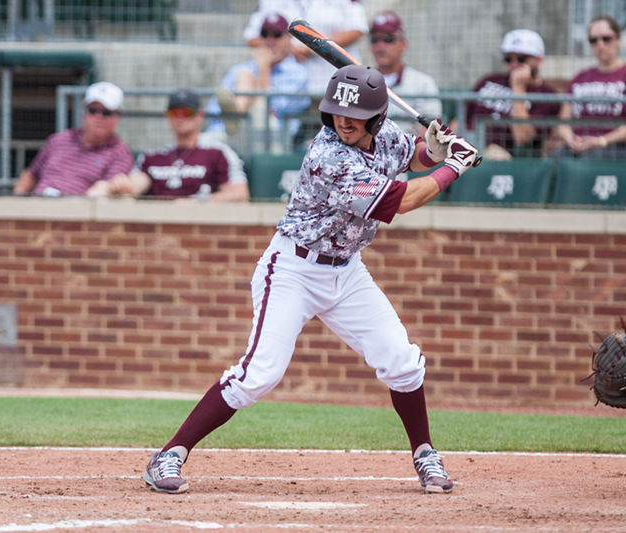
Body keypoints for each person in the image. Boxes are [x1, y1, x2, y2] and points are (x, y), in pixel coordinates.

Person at [142, 65, 478, 496]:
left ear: (376, 119)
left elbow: (408, 158)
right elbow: (403, 200)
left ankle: (425, 453)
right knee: (258, 375)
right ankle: (168, 455)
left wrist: (431, 152)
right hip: (293, 270)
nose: (343, 121)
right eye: (337, 112)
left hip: (346, 270)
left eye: (353, 116)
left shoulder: (387, 133)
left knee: (403, 361)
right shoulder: (328, 156)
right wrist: (454, 165)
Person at [91, 89, 249, 202]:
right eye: (174, 113)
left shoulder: (218, 152)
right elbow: (137, 183)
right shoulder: (153, 157)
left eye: (185, 113)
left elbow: (240, 193)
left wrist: (198, 203)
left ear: (199, 116)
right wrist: (120, 184)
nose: (179, 118)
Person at [205, 13, 310, 149]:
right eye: (265, 35)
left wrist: (264, 70)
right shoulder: (240, 69)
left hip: (277, 139)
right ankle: (237, 112)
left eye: (276, 35)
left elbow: (277, 109)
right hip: (236, 135)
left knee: (259, 103)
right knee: (245, 75)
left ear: (288, 39)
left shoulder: (298, 73)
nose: (270, 40)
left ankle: (237, 112)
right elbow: (214, 110)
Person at [13, 81, 133, 196]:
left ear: (117, 117)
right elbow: (30, 175)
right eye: (93, 110)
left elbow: (105, 193)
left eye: (106, 112)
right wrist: (16, 203)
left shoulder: (120, 153)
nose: (99, 117)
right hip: (38, 206)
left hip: (77, 213)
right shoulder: (59, 139)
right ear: (84, 112)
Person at [459, 29, 560, 159]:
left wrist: (518, 87)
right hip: (469, 147)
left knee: (494, 154)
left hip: (506, 159)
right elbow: (461, 118)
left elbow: (523, 137)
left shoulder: (548, 95)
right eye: (508, 59)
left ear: (539, 60)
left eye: (521, 59)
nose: (513, 64)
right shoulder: (489, 80)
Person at [243, 0, 369, 95]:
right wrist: (289, 47)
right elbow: (251, 36)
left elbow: (358, 29)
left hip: (334, 82)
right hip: (289, 85)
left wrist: (312, 47)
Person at [554, 15, 626, 158]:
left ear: (618, 39)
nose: (600, 44)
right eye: (594, 40)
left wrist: (601, 141)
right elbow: (563, 121)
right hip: (577, 148)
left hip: (614, 149)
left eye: (606, 38)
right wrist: (571, 140)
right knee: (554, 160)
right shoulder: (580, 77)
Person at [369, 11, 442, 137]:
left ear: (403, 44)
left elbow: (430, 131)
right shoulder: (362, 80)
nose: (380, 46)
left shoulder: (423, 83)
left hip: (409, 153)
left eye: (388, 39)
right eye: (375, 40)